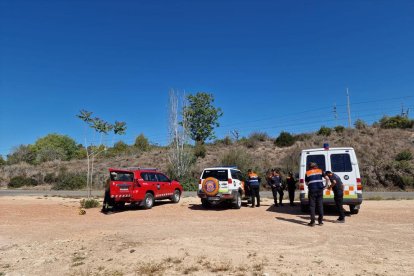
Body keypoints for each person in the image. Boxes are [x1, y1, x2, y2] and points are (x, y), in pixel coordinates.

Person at [305, 162, 329, 227]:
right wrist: (326, 186)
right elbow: (327, 178)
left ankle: (312, 222)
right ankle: (320, 222)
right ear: (316, 166)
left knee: (312, 206)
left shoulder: (307, 173)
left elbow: (306, 183)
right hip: (320, 190)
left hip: (312, 190)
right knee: (320, 205)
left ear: (309, 167)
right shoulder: (320, 171)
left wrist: (310, 184)